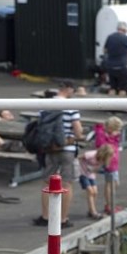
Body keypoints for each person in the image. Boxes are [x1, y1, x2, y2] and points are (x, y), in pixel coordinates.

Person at [34, 80, 83, 228]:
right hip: (67, 150)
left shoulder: (46, 105)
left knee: (47, 182)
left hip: (50, 149)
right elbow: (78, 131)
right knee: (66, 183)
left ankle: (45, 216)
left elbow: (40, 127)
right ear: (68, 89)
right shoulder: (71, 107)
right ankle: (62, 219)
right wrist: (72, 140)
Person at [93, 116, 123, 215]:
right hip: (109, 164)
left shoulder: (114, 138)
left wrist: (114, 135)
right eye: (117, 130)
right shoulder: (104, 137)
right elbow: (100, 143)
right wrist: (100, 129)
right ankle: (109, 205)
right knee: (110, 185)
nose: (119, 132)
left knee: (115, 184)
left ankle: (110, 204)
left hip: (114, 164)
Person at [77, 144, 114, 220]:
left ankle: (91, 209)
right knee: (90, 191)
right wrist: (79, 167)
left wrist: (93, 170)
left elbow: (98, 169)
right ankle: (93, 212)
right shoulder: (91, 154)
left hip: (91, 175)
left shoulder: (102, 160)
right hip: (82, 173)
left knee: (95, 192)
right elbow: (78, 158)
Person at [102, 21, 127, 96]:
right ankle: (121, 105)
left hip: (111, 65)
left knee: (112, 88)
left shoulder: (110, 37)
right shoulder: (126, 38)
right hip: (122, 66)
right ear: (125, 30)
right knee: (122, 90)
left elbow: (105, 50)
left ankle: (110, 105)